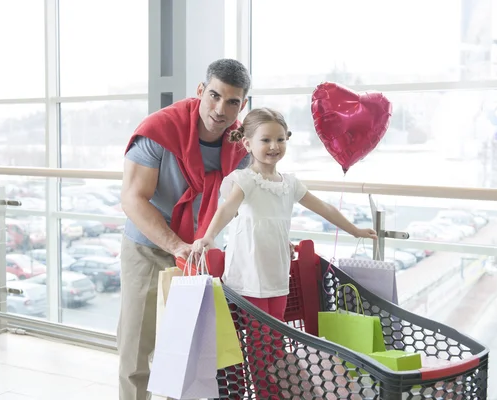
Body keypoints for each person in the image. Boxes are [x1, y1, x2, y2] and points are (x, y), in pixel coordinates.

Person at [192, 107, 377, 398]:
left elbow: (324, 208)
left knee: (276, 341)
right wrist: (208, 236)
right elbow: (226, 209)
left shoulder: (289, 184)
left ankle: (278, 393)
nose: (274, 147)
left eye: (280, 139)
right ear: (248, 143)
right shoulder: (245, 181)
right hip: (248, 278)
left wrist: (355, 230)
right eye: (265, 140)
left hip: (277, 275)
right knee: (258, 343)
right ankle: (267, 394)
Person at [117, 58, 251, 400]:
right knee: (137, 348)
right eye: (215, 96)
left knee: (187, 353)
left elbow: (247, 204)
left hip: (198, 253)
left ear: (243, 105)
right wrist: (175, 245)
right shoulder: (161, 129)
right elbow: (133, 199)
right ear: (200, 91)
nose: (221, 110)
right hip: (148, 246)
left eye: (232, 101)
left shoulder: (242, 146)